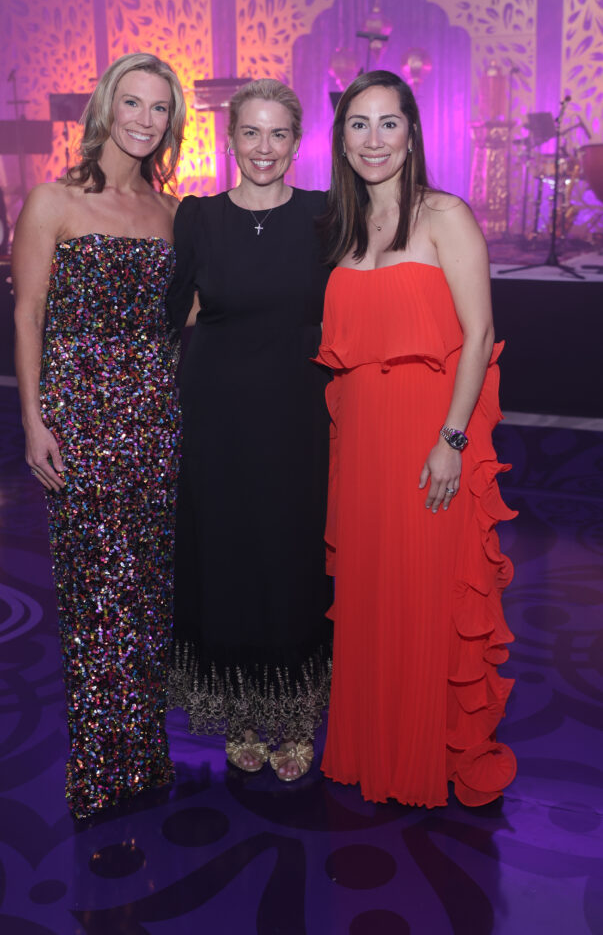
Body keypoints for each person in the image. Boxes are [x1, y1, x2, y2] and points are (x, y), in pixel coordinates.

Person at [316, 70, 517, 808]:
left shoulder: (443, 216)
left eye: (387, 123)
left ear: (411, 133)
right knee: (371, 597)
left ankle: (425, 753)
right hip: (362, 440)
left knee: (427, 593)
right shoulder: (340, 227)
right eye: (358, 124)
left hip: (429, 436)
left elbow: (479, 335)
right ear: (341, 137)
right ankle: (373, 746)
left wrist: (451, 440)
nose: (373, 139)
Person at [12, 52, 185, 818]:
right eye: (133, 104)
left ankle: (145, 758)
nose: (145, 121)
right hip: (80, 417)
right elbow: (27, 315)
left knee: (146, 592)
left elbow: (186, 325)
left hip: (157, 416)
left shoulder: (171, 213)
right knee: (94, 594)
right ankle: (98, 770)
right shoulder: (52, 201)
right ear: (106, 109)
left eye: (159, 109)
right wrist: (32, 418)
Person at [167, 78, 332, 782]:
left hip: (299, 417)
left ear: (297, 143)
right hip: (218, 420)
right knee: (229, 558)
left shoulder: (327, 215)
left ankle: (294, 714)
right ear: (228, 138)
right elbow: (171, 316)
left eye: (278, 134)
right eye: (250, 133)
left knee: (292, 559)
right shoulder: (197, 217)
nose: (263, 148)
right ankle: (240, 712)